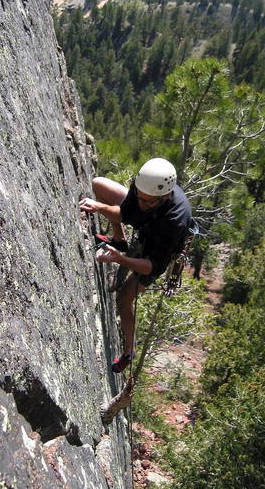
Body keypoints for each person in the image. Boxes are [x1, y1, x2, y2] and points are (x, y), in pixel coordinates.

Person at [80, 158, 192, 373]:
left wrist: (120, 259)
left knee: (124, 298)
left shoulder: (175, 221)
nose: (141, 204)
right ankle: (118, 239)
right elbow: (125, 213)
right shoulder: (145, 189)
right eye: (139, 198)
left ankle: (128, 352)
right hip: (149, 224)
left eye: (147, 202)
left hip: (156, 252)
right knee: (99, 184)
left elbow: (151, 267)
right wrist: (100, 206)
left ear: (165, 196)